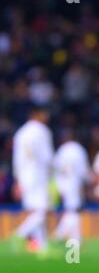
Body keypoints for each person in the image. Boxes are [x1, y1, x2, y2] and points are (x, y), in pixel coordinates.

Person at [11, 105, 54, 252]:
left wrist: (17, 181)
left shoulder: (20, 133)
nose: (47, 117)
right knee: (43, 210)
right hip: (39, 175)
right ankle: (20, 233)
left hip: (24, 176)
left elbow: (16, 160)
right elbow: (47, 157)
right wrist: (53, 175)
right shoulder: (42, 131)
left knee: (35, 210)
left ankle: (41, 246)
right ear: (38, 114)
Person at [52, 130, 90, 243]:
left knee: (71, 209)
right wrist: (87, 183)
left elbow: (55, 167)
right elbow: (83, 170)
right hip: (74, 183)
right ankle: (59, 234)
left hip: (61, 183)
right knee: (74, 210)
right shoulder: (78, 149)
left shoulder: (61, 150)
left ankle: (76, 238)